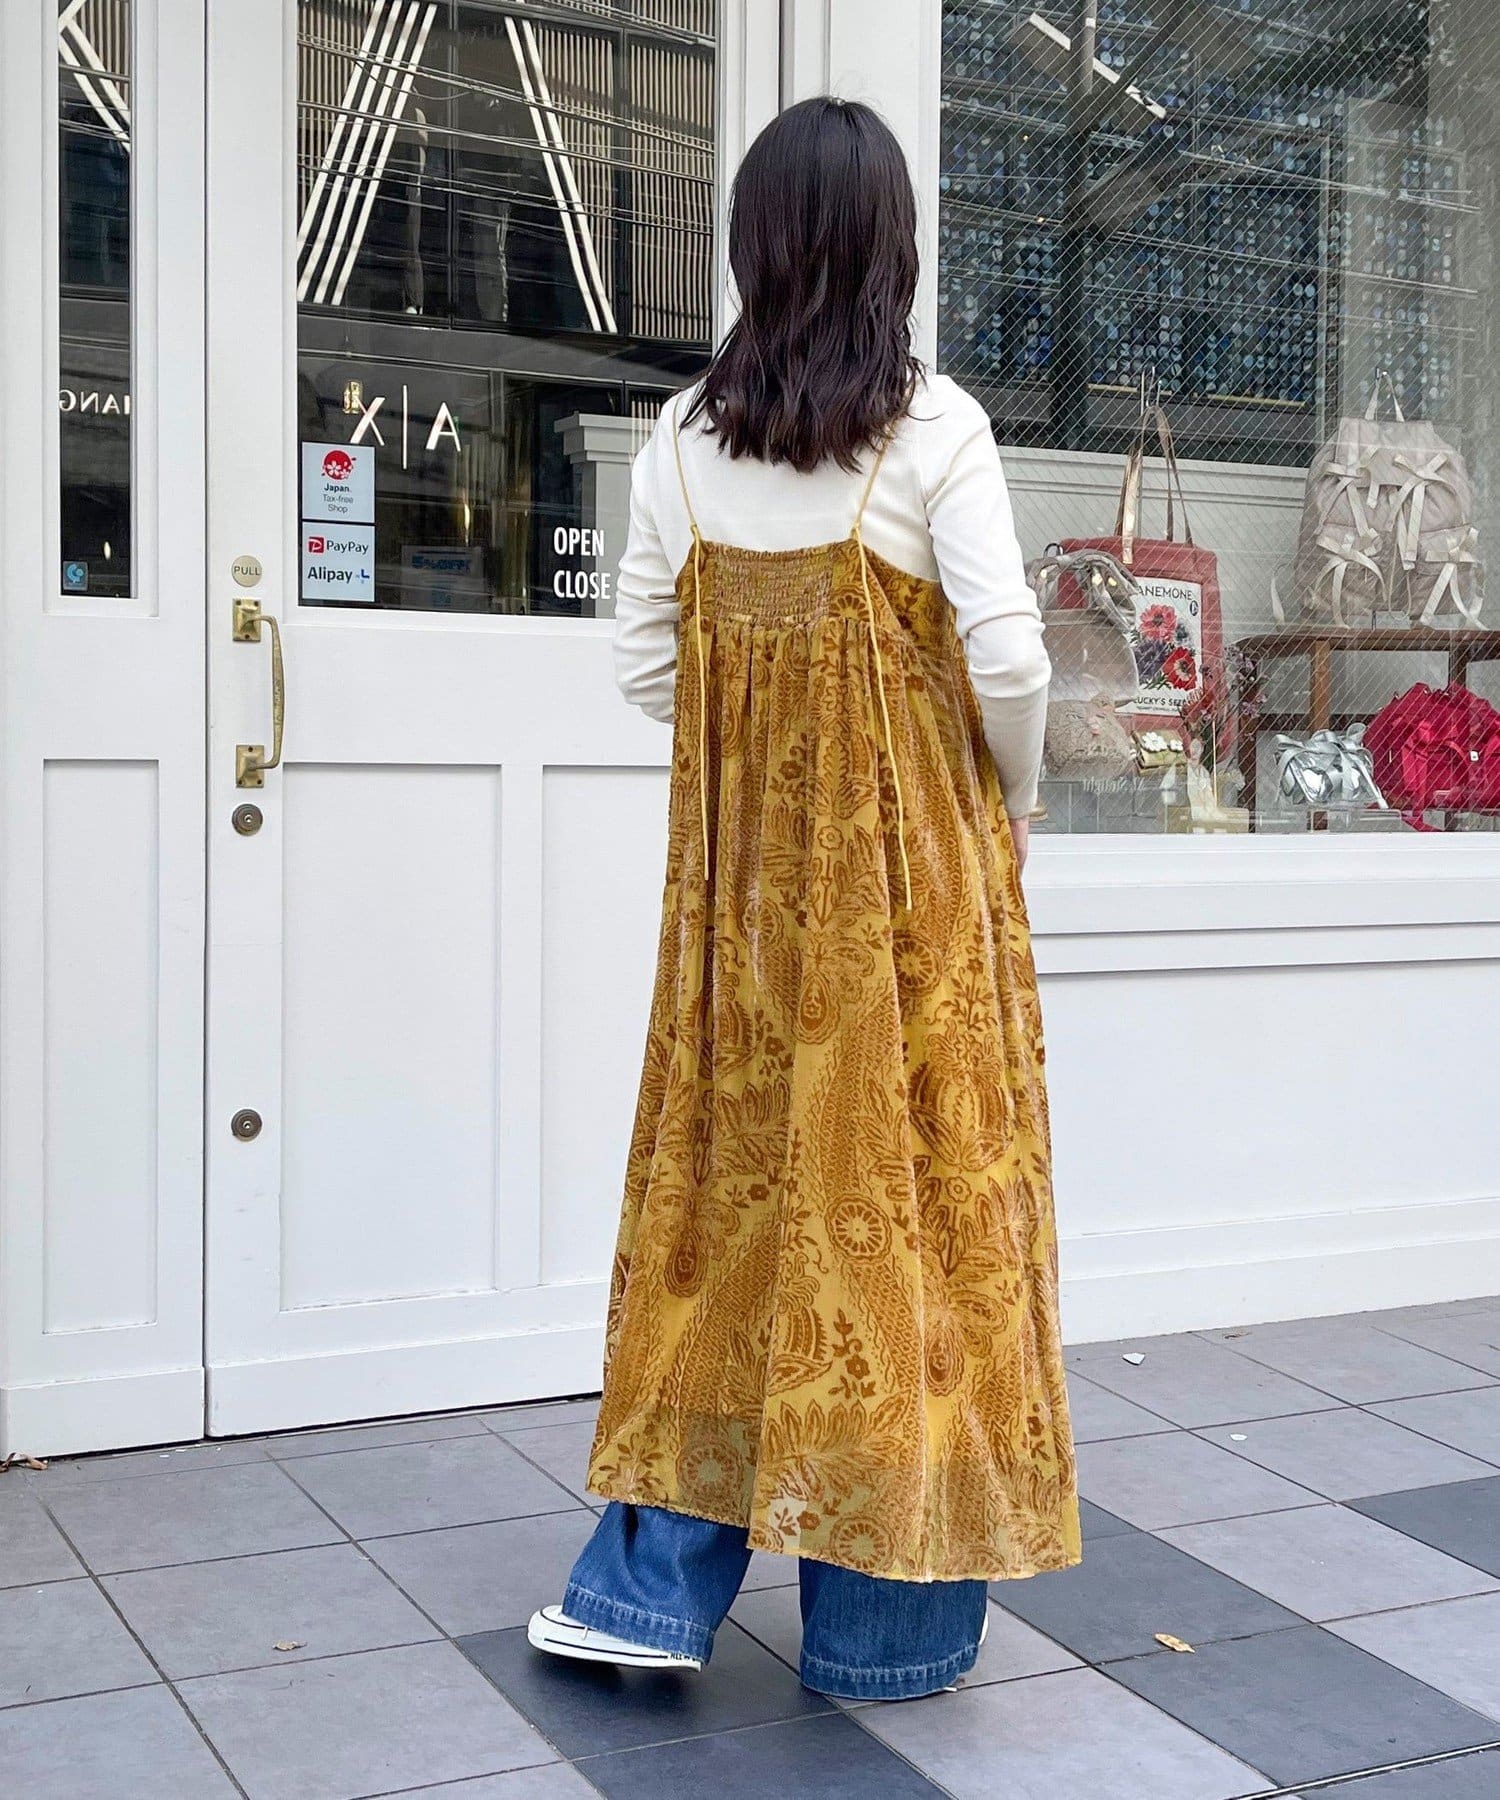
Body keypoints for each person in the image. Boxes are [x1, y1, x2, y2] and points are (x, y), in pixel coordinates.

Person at [529, 95, 1080, 1703]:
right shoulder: (936, 430)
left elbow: (646, 663)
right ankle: (881, 1630)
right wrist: (1007, 793)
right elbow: (1011, 658)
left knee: (718, 1212)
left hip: (740, 911)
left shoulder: (679, 442)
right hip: (911, 900)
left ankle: (644, 1596)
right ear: (892, 248)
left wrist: (755, 757)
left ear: (753, 248)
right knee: (919, 1215)